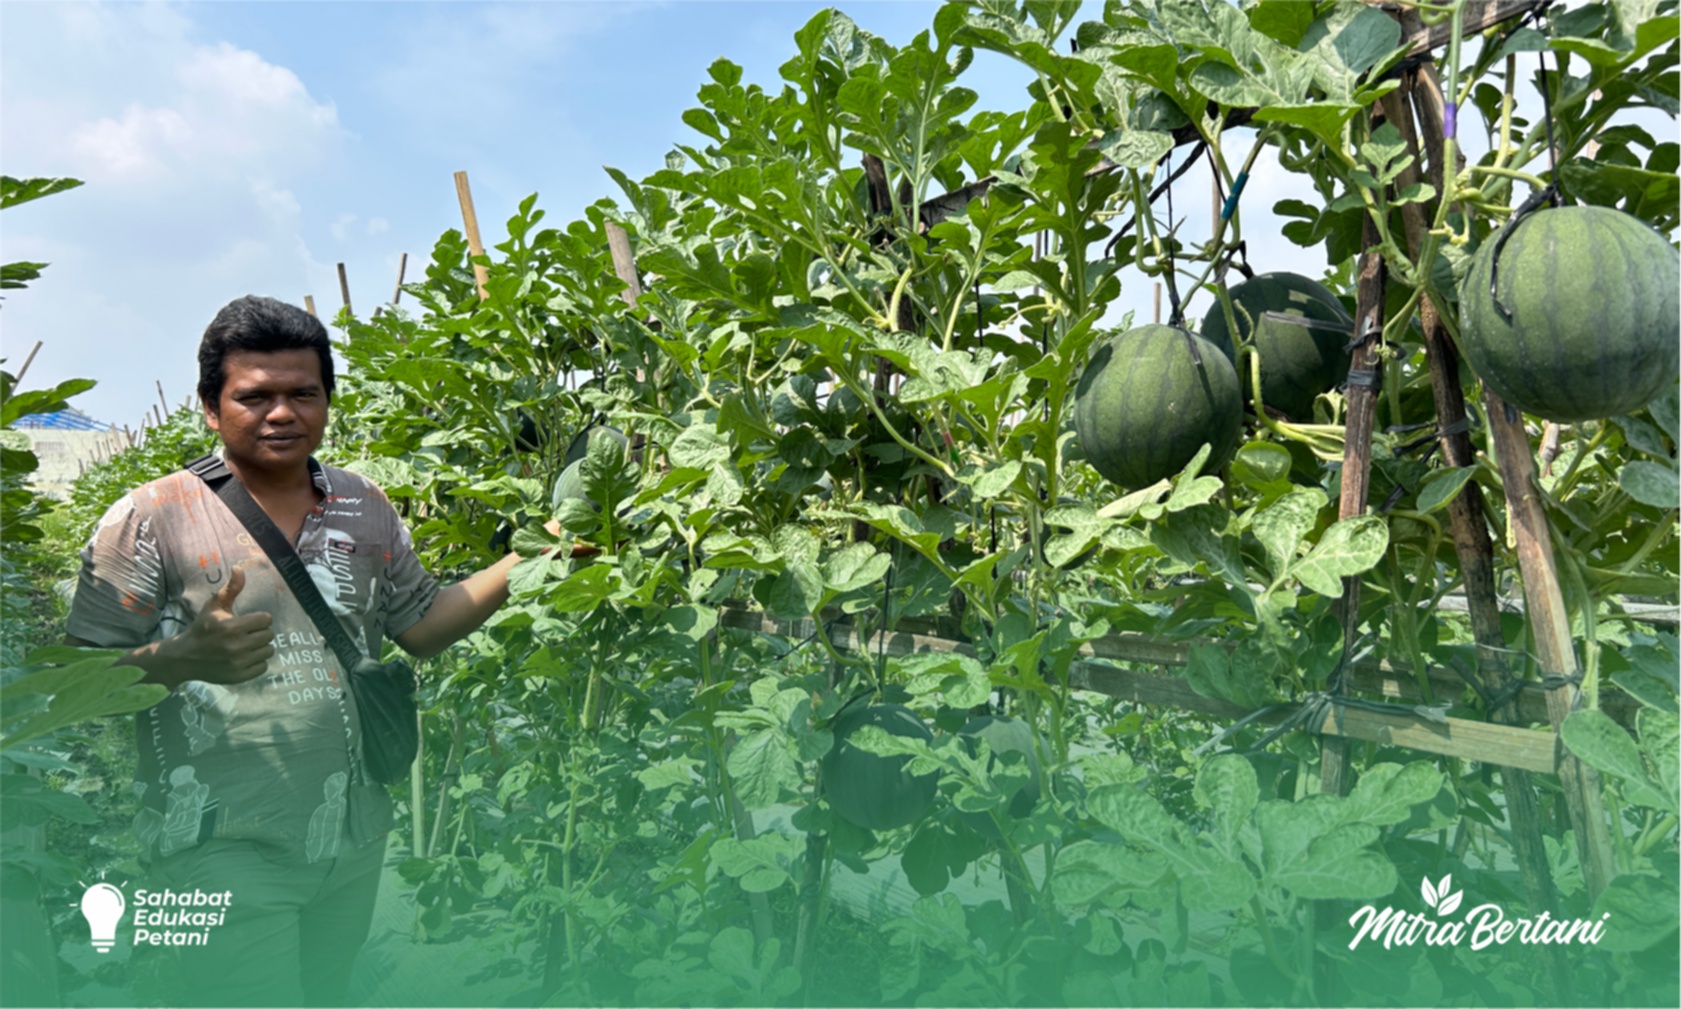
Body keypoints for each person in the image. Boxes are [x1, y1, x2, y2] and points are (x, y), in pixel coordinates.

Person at [65, 294, 551, 1007]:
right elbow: (76, 683)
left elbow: (418, 623)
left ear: (327, 399)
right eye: (254, 396)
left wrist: (531, 557)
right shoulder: (150, 515)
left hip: (349, 838)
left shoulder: (362, 504)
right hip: (216, 847)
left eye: (303, 393)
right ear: (209, 406)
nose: (282, 413)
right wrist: (183, 658)